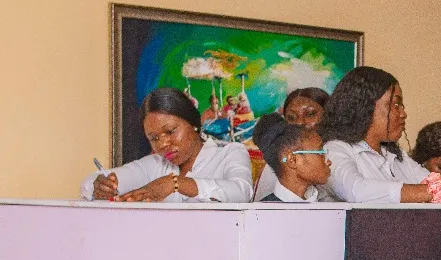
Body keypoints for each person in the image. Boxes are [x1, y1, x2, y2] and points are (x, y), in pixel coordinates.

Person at [321, 67, 441, 204]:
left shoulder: (397, 157)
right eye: (395, 104)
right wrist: (433, 191)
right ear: (365, 107)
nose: (403, 113)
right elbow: (356, 191)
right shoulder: (334, 150)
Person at [81, 87, 253, 203]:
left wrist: (176, 184)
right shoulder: (155, 165)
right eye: (154, 138)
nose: (163, 144)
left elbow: (242, 192)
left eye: (170, 131)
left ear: (193, 123)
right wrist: (99, 185)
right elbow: (93, 181)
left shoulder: (230, 154)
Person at [255, 88, 335, 202]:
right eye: (292, 117)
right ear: (292, 160)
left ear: (328, 117)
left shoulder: (340, 154)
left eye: (310, 114)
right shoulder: (279, 165)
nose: (300, 122)